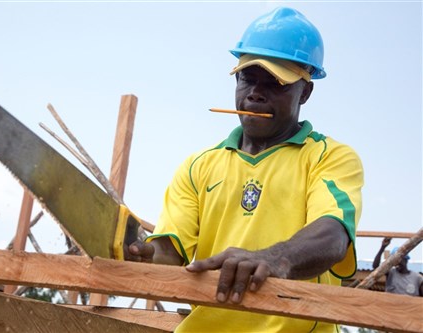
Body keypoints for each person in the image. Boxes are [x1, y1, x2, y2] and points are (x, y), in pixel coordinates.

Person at [127, 7, 364, 333]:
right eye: (247, 78)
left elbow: (332, 236)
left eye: (275, 83)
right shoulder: (200, 166)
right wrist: (140, 252)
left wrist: (277, 258)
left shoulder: (329, 157)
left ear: (305, 92)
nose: (255, 92)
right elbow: (170, 252)